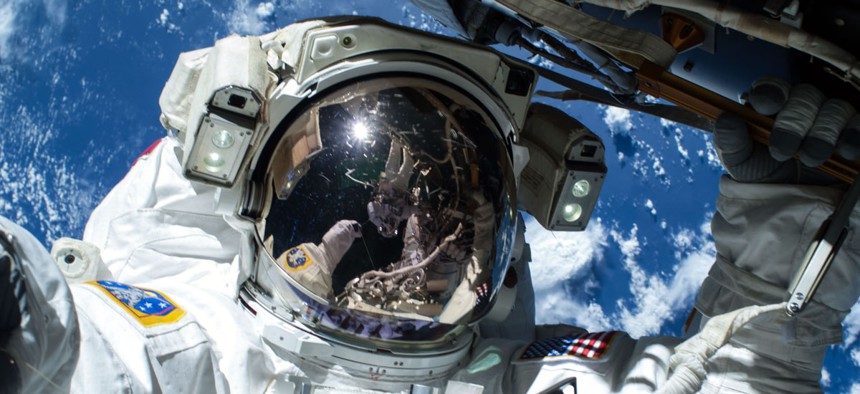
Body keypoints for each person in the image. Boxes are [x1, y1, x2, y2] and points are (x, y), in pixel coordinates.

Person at [1, 16, 859, 394]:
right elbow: (71, 356)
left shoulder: (513, 378)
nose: (416, 235)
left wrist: (791, 210)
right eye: (360, 182)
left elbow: (738, 373)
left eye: (454, 198)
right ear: (257, 216)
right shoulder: (207, 350)